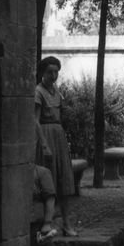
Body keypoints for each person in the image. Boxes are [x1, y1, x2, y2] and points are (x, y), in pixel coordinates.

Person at [35, 56, 78, 236]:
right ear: (42, 73)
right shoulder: (38, 91)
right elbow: (34, 120)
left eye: (56, 72)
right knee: (49, 179)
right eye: (49, 72)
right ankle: (48, 222)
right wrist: (44, 144)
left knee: (65, 179)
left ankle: (67, 224)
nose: (53, 76)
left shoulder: (56, 91)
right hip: (45, 135)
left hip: (59, 136)